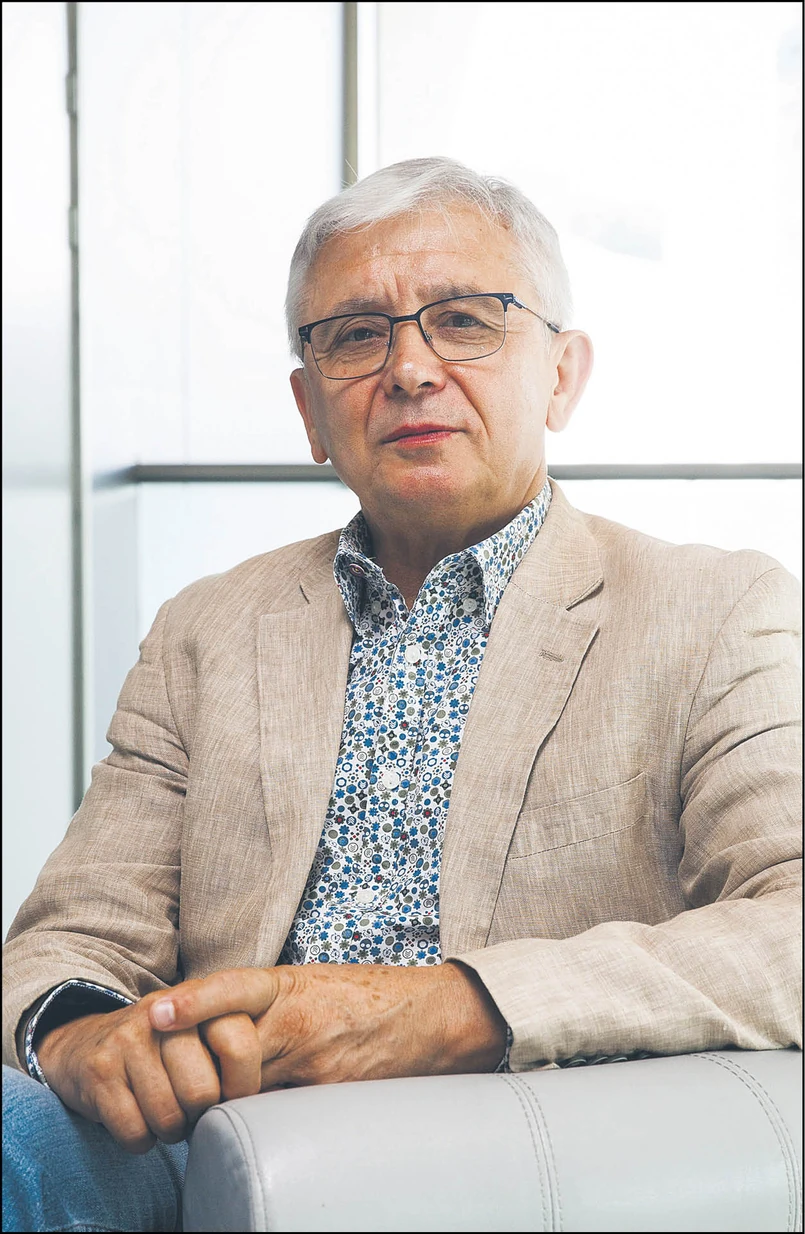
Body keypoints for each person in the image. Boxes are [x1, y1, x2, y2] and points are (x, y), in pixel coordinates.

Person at [3, 156, 801, 1233]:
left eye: (464, 320)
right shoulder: (208, 626)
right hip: (212, 1144)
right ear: (309, 409)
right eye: (355, 335)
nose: (411, 369)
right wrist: (86, 1037)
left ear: (560, 375)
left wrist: (447, 1009)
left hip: (533, 1143)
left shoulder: (712, 608)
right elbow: (71, 938)